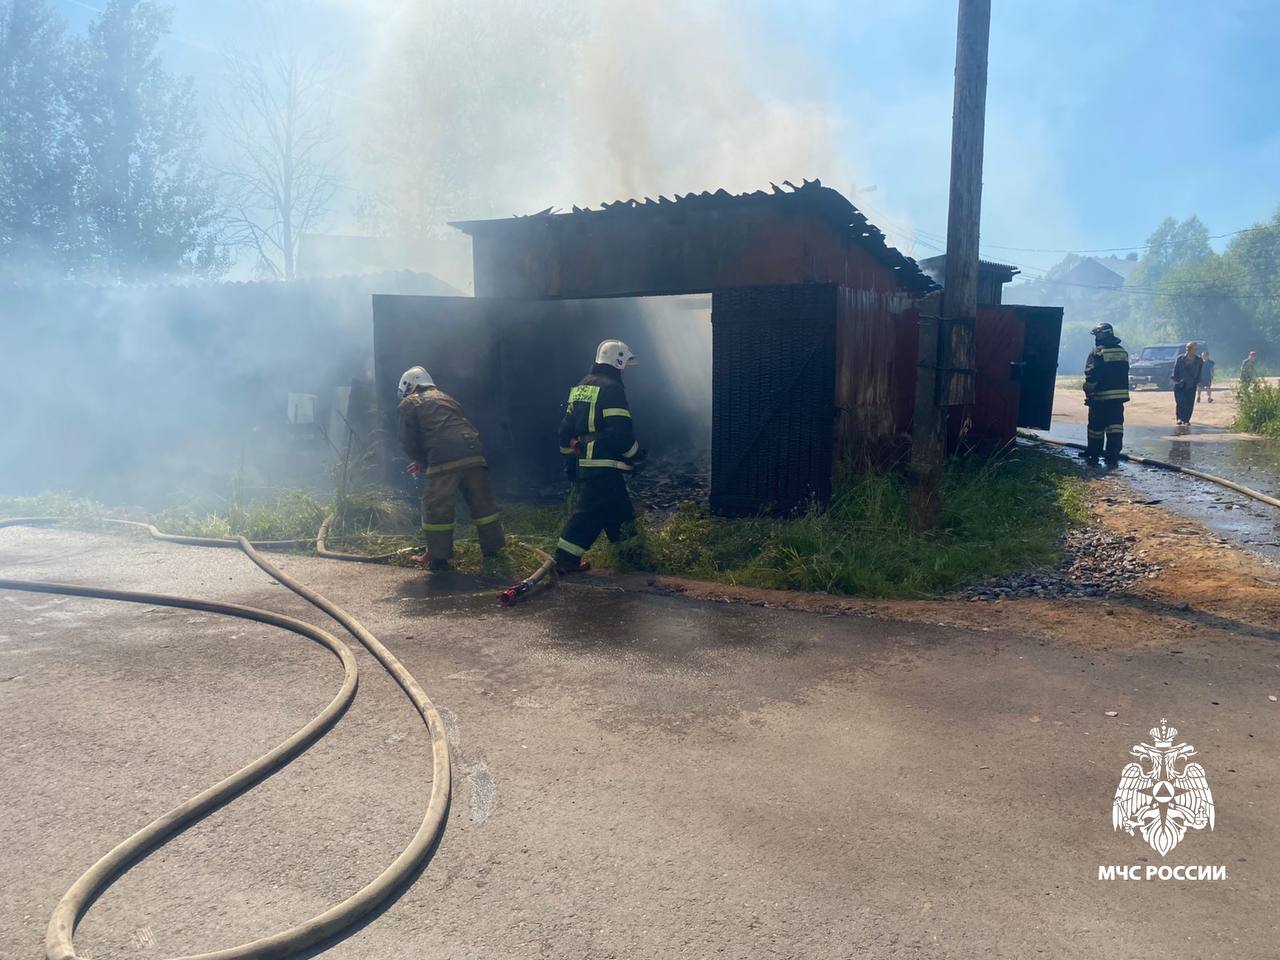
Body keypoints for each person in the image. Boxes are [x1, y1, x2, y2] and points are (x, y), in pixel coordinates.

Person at [396, 365, 504, 570]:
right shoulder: (446, 398)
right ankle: (493, 548)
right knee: (483, 504)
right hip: (473, 451)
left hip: (445, 456)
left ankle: (436, 555)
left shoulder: (410, 403)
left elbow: (408, 439)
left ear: (410, 386)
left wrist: (419, 460)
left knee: (436, 507)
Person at [553, 340, 646, 574]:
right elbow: (620, 434)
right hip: (605, 464)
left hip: (587, 463)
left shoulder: (581, 386)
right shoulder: (613, 388)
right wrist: (636, 455)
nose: (624, 370)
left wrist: (571, 466)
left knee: (620, 511)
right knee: (589, 513)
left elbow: (565, 433)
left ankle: (631, 558)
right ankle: (565, 559)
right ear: (618, 361)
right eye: (624, 364)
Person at [1082, 322, 1130, 468]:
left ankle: (1093, 455)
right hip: (1118, 399)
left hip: (1100, 398)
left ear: (1103, 335)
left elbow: (1092, 375)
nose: (1096, 337)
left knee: (1096, 428)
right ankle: (1112, 455)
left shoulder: (1098, 352)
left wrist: (1088, 390)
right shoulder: (1122, 351)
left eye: (1097, 334)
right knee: (1115, 427)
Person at [1170, 341, 1202, 426]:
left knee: (1189, 403)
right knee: (1180, 402)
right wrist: (1174, 381)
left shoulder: (1199, 360)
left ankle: (1186, 420)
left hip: (1191, 385)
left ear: (1195, 350)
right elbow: (1175, 371)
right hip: (1179, 384)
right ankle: (1179, 418)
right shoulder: (1180, 359)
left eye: (1191, 348)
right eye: (1187, 348)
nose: (1188, 350)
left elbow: (1200, 372)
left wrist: (1198, 382)